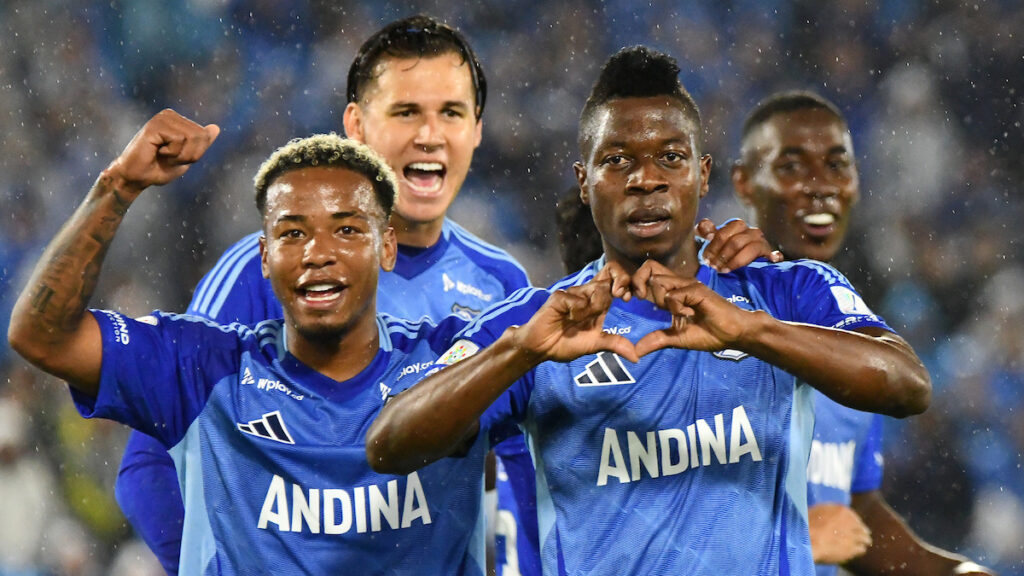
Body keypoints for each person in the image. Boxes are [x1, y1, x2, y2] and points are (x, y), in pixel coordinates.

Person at [365, 45, 932, 575]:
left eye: (670, 157)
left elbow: (907, 385)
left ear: (702, 174)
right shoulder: (537, 323)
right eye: (617, 160)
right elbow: (389, 444)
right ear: (584, 182)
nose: (646, 180)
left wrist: (750, 331)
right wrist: (519, 353)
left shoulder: (782, 292)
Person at [7, 109, 514, 574]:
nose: (318, 253)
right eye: (293, 233)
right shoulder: (205, 369)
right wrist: (117, 186)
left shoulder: (450, 358)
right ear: (265, 256)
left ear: (387, 247)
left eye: (346, 230)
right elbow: (40, 335)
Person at [112, 16, 533, 575]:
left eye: (451, 113)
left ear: (477, 128)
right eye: (406, 112)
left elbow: (518, 476)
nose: (430, 136)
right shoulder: (261, 274)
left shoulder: (501, 285)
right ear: (356, 125)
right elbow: (147, 467)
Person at [731, 90, 995, 576]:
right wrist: (796, 542)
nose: (821, 186)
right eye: (792, 166)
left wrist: (957, 573)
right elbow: (634, 521)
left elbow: (855, 516)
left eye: (837, 165)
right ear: (743, 182)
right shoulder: (702, 323)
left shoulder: (858, 345)